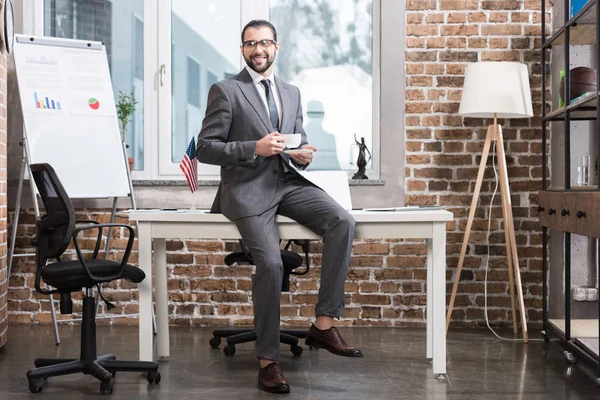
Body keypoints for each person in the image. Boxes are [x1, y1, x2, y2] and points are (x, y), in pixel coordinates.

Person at [196, 19, 362, 394]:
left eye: (265, 43)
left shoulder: (291, 92)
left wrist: (299, 155)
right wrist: (252, 147)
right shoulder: (226, 89)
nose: (258, 50)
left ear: (277, 47)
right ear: (242, 50)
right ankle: (268, 362)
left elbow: (290, 141)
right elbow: (205, 148)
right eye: (250, 44)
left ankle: (322, 325)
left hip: (287, 182)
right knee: (270, 262)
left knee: (342, 221)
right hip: (247, 189)